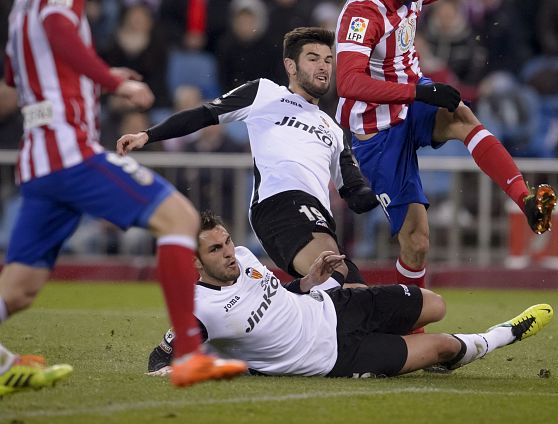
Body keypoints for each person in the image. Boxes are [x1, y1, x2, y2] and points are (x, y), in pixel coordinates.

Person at [0, 0, 247, 395]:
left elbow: (13, 84)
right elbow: (59, 32)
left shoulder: (22, 1)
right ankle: (191, 356)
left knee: (21, 288)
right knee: (180, 219)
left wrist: (88, 78)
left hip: (39, 161)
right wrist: (110, 79)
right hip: (71, 153)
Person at [335, 0, 557, 289]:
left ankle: (526, 201)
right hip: (377, 131)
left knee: (461, 115)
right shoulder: (364, 11)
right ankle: (413, 328)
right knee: (417, 243)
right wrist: (419, 94)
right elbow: (349, 83)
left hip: (412, 99)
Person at [147, 212, 554, 378]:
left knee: (437, 304)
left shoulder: (244, 255)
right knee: (444, 346)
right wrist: (178, 369)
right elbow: (159, 360)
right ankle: (504, 333)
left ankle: (421, 346)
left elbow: (275, 298)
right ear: (194, 262)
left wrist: (309, 283)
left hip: (334, 306)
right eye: (214, 250)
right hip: (333, 357)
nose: (228, 253)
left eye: (227, 242)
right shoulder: (198, 311)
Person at [117, 27, 379, 285]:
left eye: (328, 60)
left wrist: (386, 192)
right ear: (291, 66)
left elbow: (355, 192)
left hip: (317, 215)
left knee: (350, 291)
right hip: (279, 202)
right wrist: (148, 135)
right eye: (313, 59)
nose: (323, 67)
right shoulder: (264, 93)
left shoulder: (333, 128)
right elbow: (204, 114)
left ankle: (279, 304)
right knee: (338, 279)